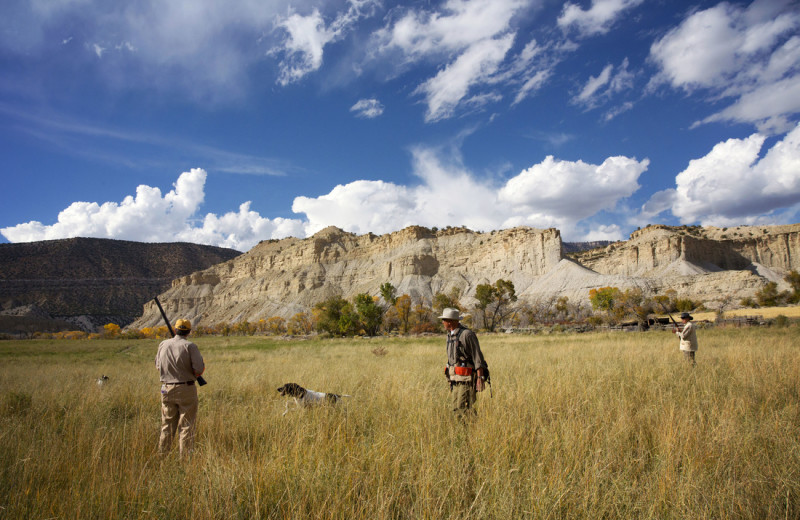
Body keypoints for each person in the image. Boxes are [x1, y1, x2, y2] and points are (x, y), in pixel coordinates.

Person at [155, 318, 205, 457]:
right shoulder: (190, 346)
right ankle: (185, 459)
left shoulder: (163, 344)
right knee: (186, 426)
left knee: (167, 425)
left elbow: (158, 366)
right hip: (186, 389)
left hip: (166, 388)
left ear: (175, 329)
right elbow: (199, 369)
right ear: (189, 331)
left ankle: (162, 457)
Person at [439, 308, 488, 417]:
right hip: (455, 379)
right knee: (455, 409)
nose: (442, 322)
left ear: (450, 321)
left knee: (463, 408)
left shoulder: (467, 335)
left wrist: (480, 379)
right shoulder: (450, 335)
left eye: (444, 320)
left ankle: (474, 428)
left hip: (467, 379)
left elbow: (478, 358)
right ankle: (467, 430)